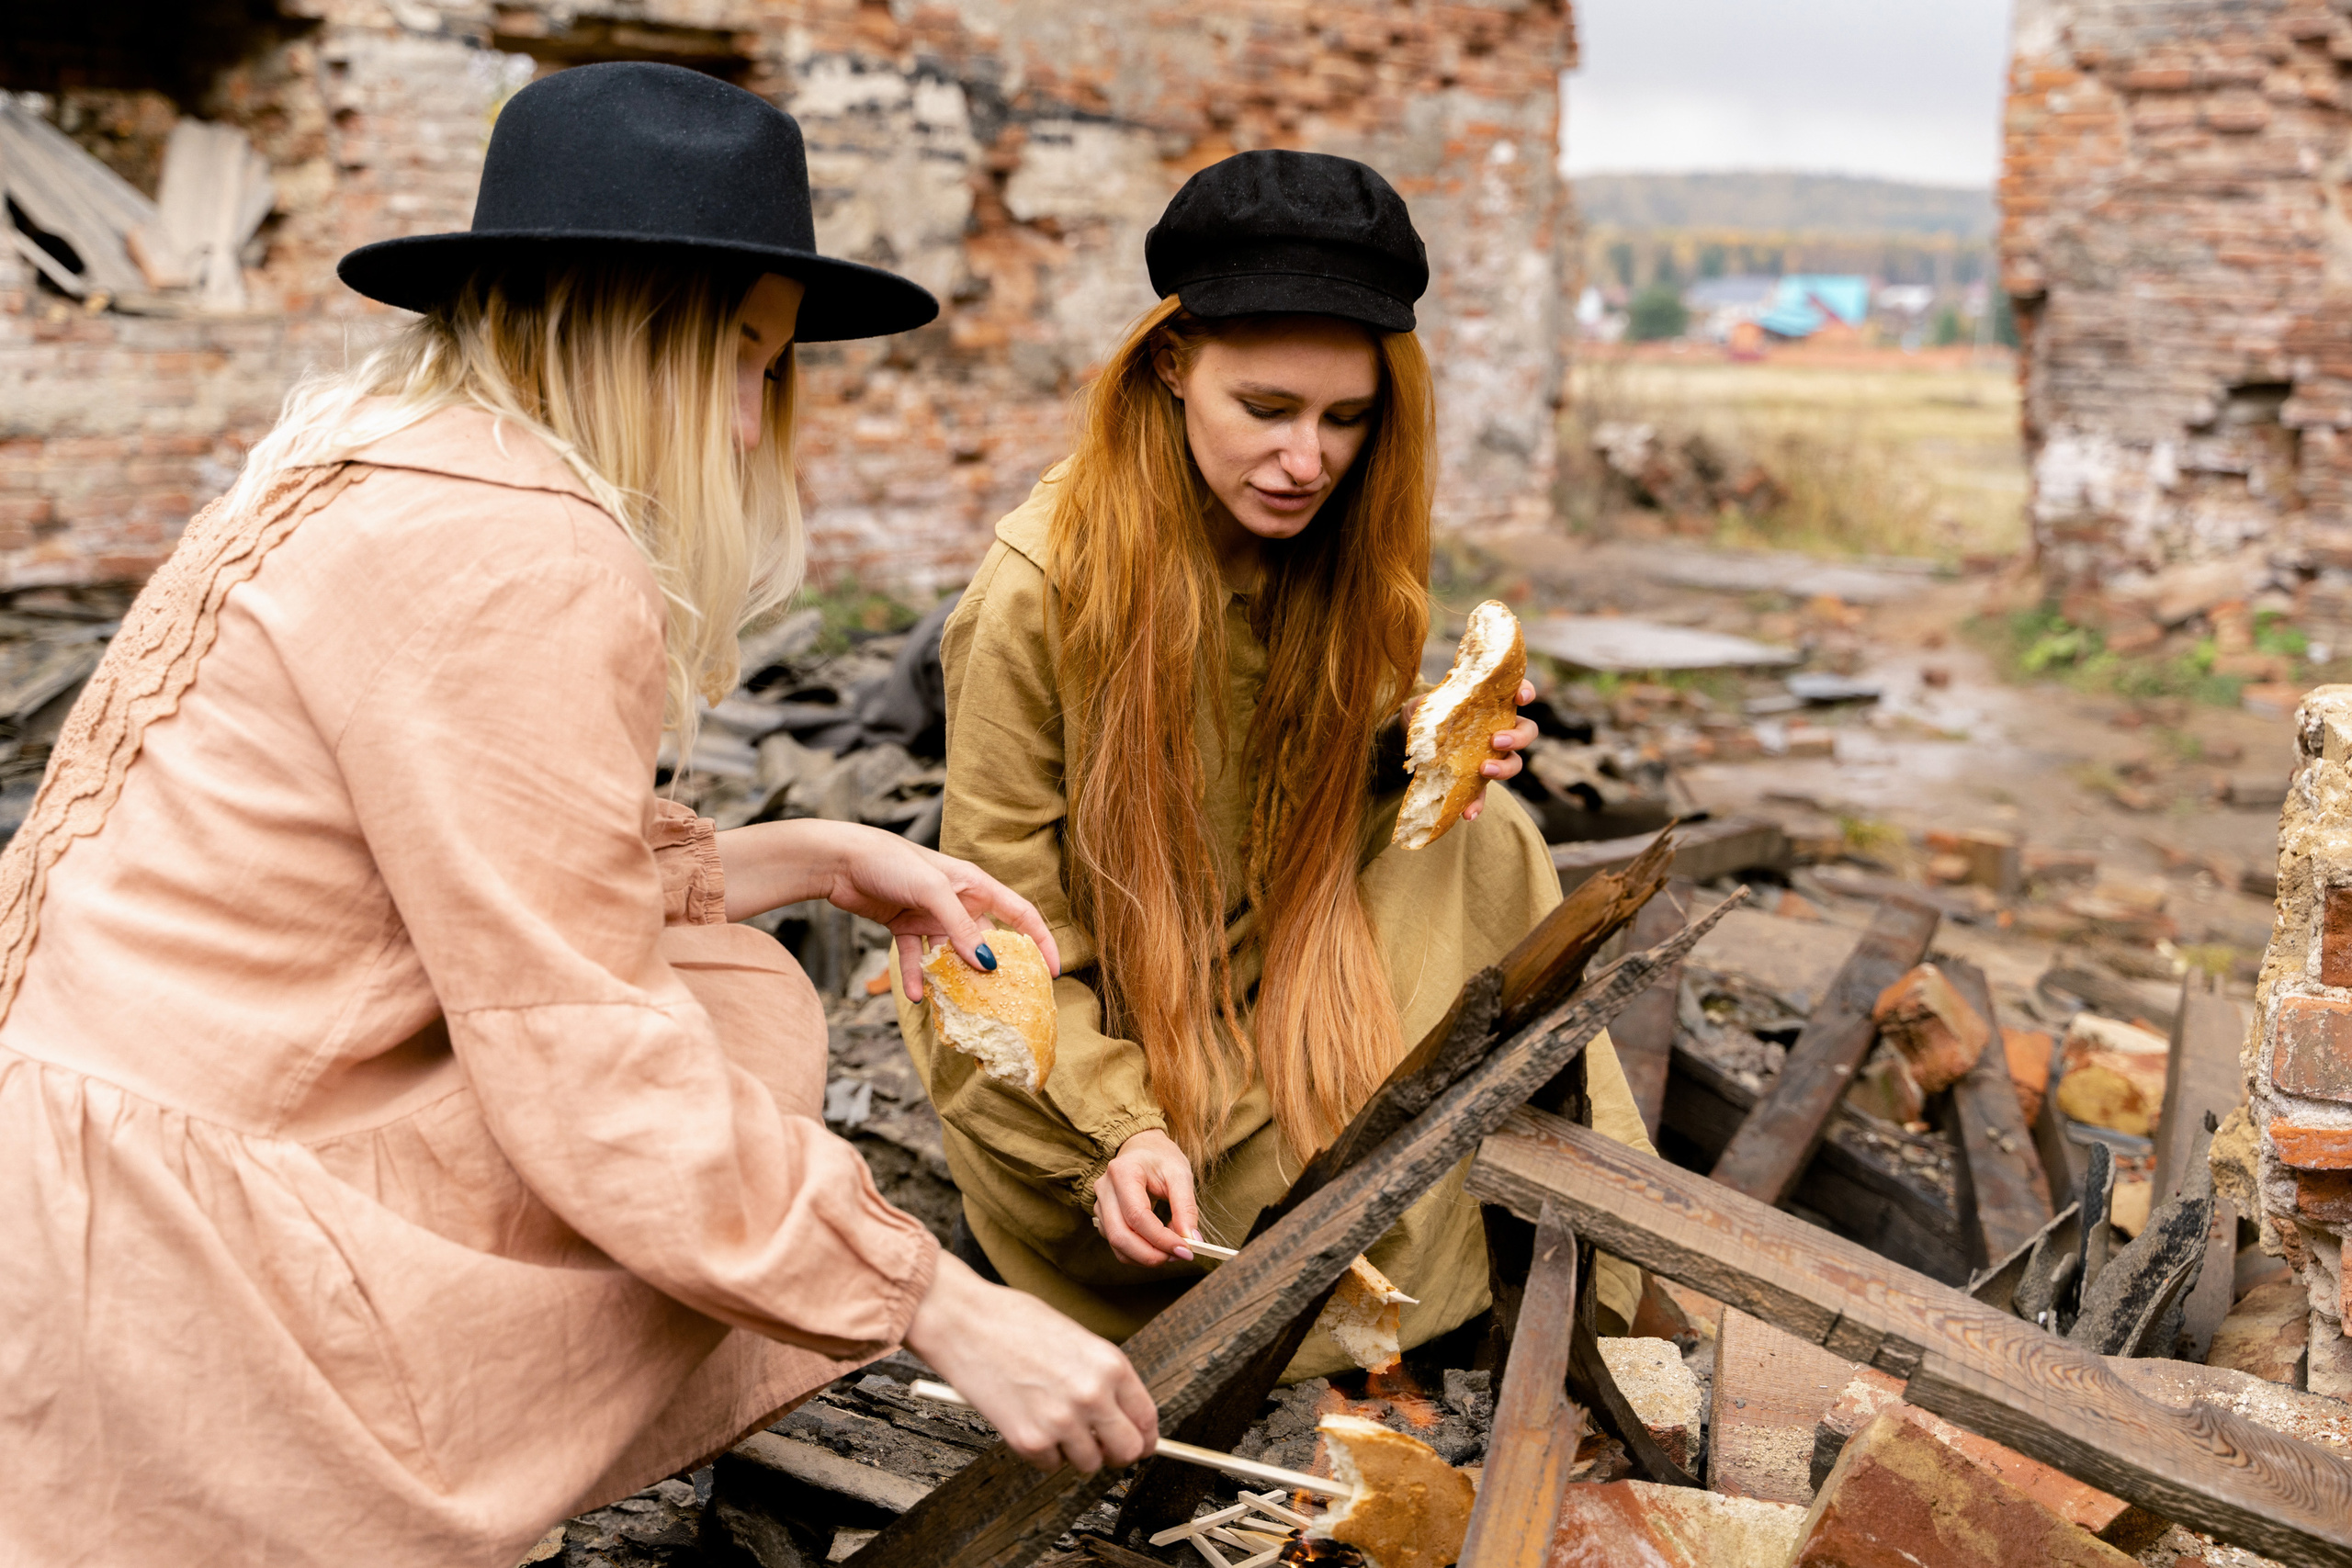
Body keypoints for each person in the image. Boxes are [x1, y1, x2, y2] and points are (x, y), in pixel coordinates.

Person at [0, 62, 1155, 1568]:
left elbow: (463, 877)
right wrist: (932, 1298)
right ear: (625, 332)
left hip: (71, 1164)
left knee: (721, 982)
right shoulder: (524, 551)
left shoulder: (371, 465)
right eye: (740, 358)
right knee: (729, 1019)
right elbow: (579, 1032)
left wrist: (821, 855)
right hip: (186, 1243)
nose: (746, 424)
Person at [895, 152, 1657, 1381]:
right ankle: (1412, 1262)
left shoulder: (1334, 543)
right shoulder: (1035, 596)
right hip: (1107, 1057)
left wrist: (1410, 749)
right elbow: (986, 941)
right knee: (1330, 1201)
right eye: (1267, 409)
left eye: (1345, 420)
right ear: (1170, 364)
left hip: (1273, 964)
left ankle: (1607, 1274)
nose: (1309, 461)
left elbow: (1268, 799)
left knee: (1492, 840)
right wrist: (1113, 1135)